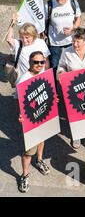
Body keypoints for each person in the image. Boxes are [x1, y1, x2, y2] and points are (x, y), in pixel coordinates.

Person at [15, 51, 56, 193]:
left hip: (43, 113)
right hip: (30, 118)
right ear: (30, 63)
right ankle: (24, 175)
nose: (39, 65)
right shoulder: (23, 79)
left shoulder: (44, 73)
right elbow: (17, 100)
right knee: (28, 150)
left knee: (42, 138)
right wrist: (20, 116)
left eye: (41, 62)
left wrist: (54, 99)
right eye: (36, 62)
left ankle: (39, 160)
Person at [44, 0, 82, 72]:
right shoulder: (49, 5)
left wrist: (73, 29)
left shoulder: (73, 3)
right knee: (54, 66)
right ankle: (54, 85)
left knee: (72, 64)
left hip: (70, 41)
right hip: (54, 42)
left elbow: (78, 18)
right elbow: (44, 22)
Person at [6, 18, 51, 82]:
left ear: (34, 36)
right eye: (22, 37)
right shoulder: (18, 44)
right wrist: (12, 23)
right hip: (24, 80)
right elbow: (8, 39)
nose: (24, 40)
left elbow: (46, 60)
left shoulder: (41, 43)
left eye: (27, 37)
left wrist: (47, 74)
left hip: (40, 78)